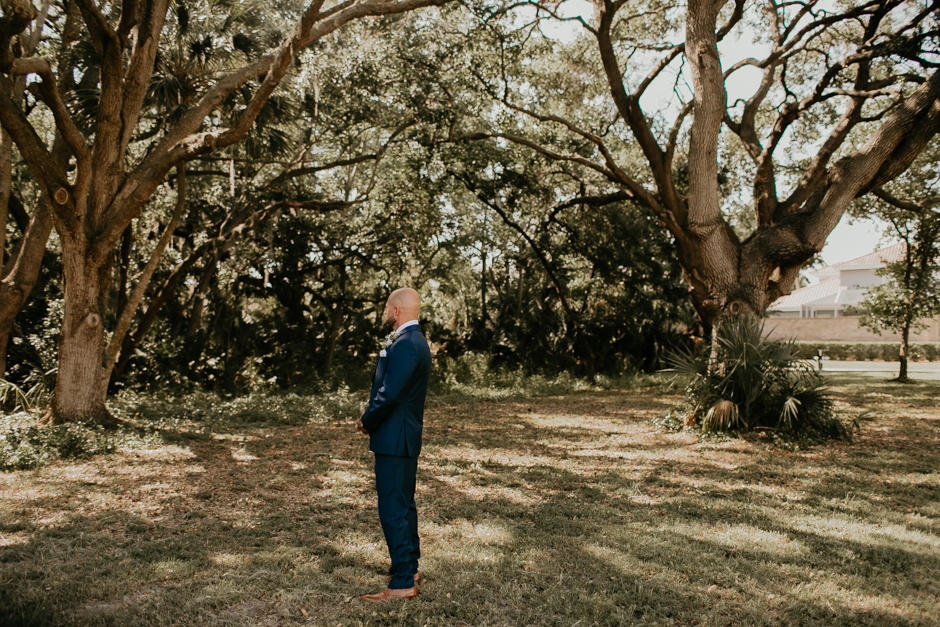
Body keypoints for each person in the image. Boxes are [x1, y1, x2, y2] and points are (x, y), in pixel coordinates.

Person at [356, 288, 431, 602]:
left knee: (393, 510)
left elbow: (389, 393)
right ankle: (408, 568)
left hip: (394, 436)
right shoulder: (416, 342)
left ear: (397, 310)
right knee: (404, 506)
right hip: (403, 435)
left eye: (387, 307)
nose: (385, 311)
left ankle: (401, 583)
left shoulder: (406, 345)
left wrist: (366, 419)